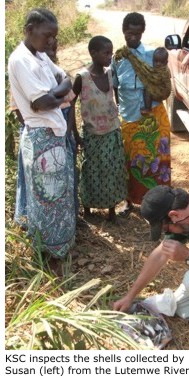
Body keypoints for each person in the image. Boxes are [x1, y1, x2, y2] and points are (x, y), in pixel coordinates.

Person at [8, 8, 76, 271]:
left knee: (58, 197)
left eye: (54, 37)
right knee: (46, 199)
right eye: (47, 35)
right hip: (40, 139)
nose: (51, 42)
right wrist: (57, 96)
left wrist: (54, 96)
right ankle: (48, 257)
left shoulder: (38, 57)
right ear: (29, 29)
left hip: (53, 136)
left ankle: (60, 249)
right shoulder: (20, 60)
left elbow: (66, 79)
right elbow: (40, 103)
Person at [112, 12, 171, 216]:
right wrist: (118, 110)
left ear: (142, 32)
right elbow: (115, 87)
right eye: (129, 33)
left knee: (157, 160)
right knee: (130, 160)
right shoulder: (118, 58)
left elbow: (163, 81)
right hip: (129, 116)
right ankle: (130, 201)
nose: (133, 38)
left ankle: (159, 203)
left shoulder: (153, 54)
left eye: (137, 33)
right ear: (124, 32)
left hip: (154, 116)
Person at [113, 185, 189, 320]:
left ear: (174, 215)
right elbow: (160, 255)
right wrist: (130, 297)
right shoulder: (185, 216)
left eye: (166, 229)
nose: (168, 234)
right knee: (182, 308)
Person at [71, 35, 127, 223]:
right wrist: (76, 134)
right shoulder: (82, 77)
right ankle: (87, 209)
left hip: (112, 131)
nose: (110, 56)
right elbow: (70, 104)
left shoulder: (110, 73)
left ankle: (111, 212)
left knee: (112, 169)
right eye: (106, 53)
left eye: (111, 52)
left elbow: (115, 96)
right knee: (91, 171)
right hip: (92, 134)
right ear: (93, 53)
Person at [141, 47, 169, 115]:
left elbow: (153, 80)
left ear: (166, 62)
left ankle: (148, 108)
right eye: (156, 61)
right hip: (163, 90)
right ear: (152, 60)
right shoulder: (165, 69)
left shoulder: (162, 71)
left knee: (147, 89)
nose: (158, 64)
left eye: (161, 62)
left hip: (163, 92)